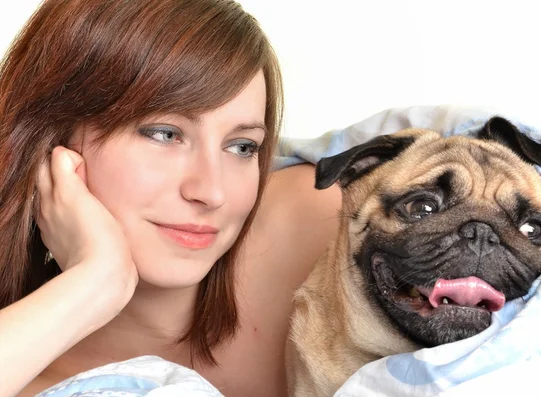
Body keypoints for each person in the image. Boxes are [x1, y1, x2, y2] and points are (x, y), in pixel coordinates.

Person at [0, 1, 341, 396]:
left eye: (243, 147)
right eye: (164, 133)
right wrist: (94, 282)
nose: (211, 192)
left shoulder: (330, 224)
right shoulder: (23, 368)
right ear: (51, 139)